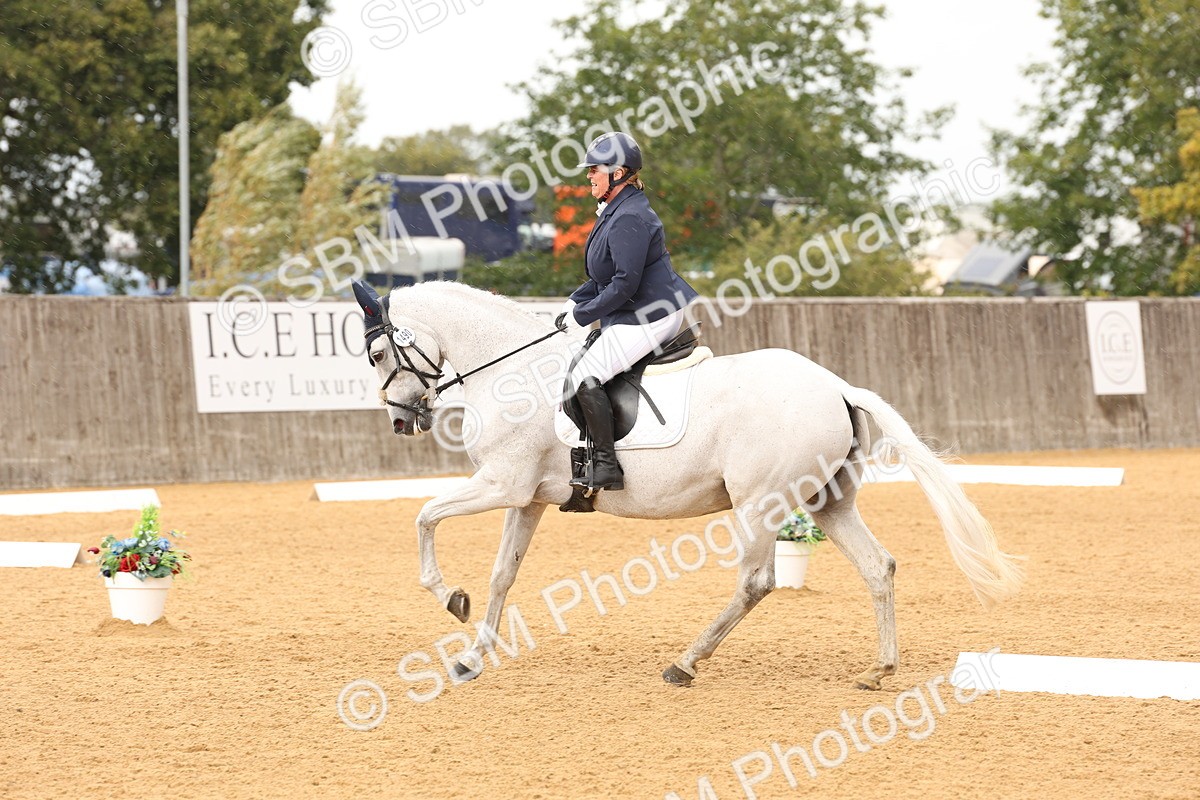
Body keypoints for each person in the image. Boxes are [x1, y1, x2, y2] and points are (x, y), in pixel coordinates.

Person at [554, 132, 699, 492]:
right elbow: (602, 275)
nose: (588, 175)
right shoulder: (616, 210)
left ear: (617, 173)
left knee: (586, 374)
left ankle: (605, 465)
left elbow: (624, 284)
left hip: (651, 313)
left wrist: (583, 316)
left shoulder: (628, 217)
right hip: (636, 308)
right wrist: (575, 301)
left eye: (594, 170)